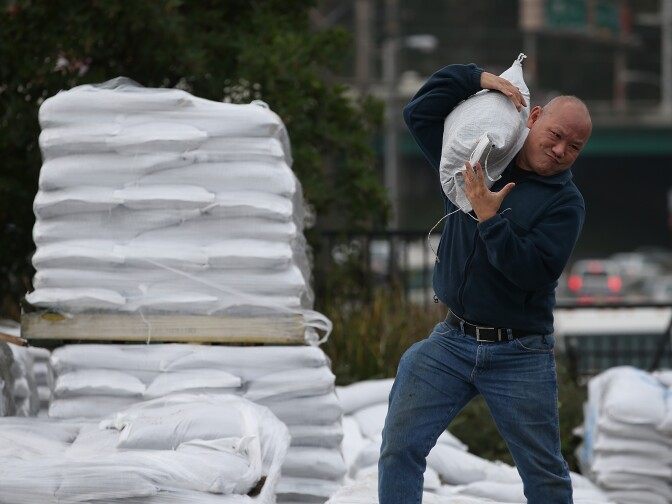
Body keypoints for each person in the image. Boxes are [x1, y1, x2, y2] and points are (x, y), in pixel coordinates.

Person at [378, 62, 592, 504]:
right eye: (554, 136)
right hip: (450, 341)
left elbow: (533, 272)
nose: (559, 151)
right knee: (400, 449)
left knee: (545, 474)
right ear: (533, 118)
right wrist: (476, 79)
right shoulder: (475, 159)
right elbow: (419, 113)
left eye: (573, 147)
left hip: (519, 351)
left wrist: (488, 216)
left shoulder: (566, 204)